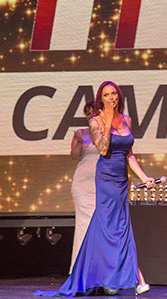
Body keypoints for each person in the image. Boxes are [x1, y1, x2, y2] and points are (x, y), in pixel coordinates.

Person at [40, 81, 154, 296]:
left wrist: (144, 177)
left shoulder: (127, 120)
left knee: (113, 227)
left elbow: (129, 154)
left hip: (121, 181)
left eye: (114, 94)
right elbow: (102, 149)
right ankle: (137, 278)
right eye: (106, 95)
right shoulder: (95, 122)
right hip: (106, 179)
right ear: (101, 99)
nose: (111, 97)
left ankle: (101, 275)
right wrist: (108, 121)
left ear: (119, 96)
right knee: (117, 228)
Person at [68, 101, 98, 274]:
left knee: (101, 227)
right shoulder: (81, 133)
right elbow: (74, 156)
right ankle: (79, 270)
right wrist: (80, 142)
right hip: (82, 185)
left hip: (102, 185)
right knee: (83, 226)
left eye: (93, 112)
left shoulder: (108, 132)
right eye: (87, 113)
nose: (90, 116)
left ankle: (100, 271)